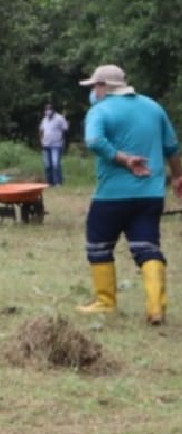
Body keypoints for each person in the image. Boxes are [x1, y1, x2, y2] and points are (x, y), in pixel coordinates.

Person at [76, 64, 182, 325]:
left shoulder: (99, 110)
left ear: (103, 87)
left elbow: (94, 142)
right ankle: (156, 307)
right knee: (147, 246)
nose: (92, 92)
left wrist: (123, 159)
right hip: (150, 194)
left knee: (98, 245)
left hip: (112, 195)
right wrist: (178, 176)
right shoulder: (153, 107)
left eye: (94, 86)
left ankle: (105, 302)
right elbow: (171, 147)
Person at [39, 103, 69, 186]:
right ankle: (50, 182)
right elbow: (41, 130)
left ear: (53, 110)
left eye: (49, 109)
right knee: (47, 165)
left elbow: (65, 128)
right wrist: (41, 140)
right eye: (46, 110)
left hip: (56, 144)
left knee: (55, 163)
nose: (47, 111)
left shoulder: (59, 118)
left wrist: (63, 141)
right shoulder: (44, 119)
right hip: (45, 144)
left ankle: (58, 182)